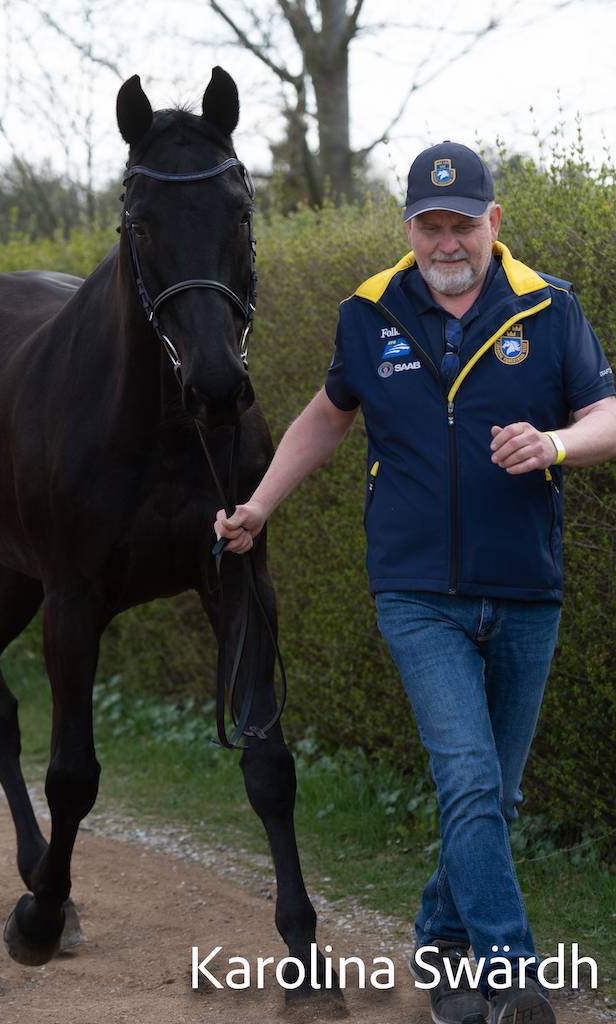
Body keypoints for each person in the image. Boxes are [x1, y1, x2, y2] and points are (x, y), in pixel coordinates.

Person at [214, 142, 616, 1024]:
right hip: (415, 591)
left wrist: (553, 444)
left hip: (526, 589)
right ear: (408, 229)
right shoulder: (369, 311)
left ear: (493, 222)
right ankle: (512, 978)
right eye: (429, 226)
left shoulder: (549, 307)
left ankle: (439, 938)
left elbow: (607, 416)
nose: (446, 243)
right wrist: (260, 505)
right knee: (467, 776)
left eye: (461, 224)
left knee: (495, 795)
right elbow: (328, 415)